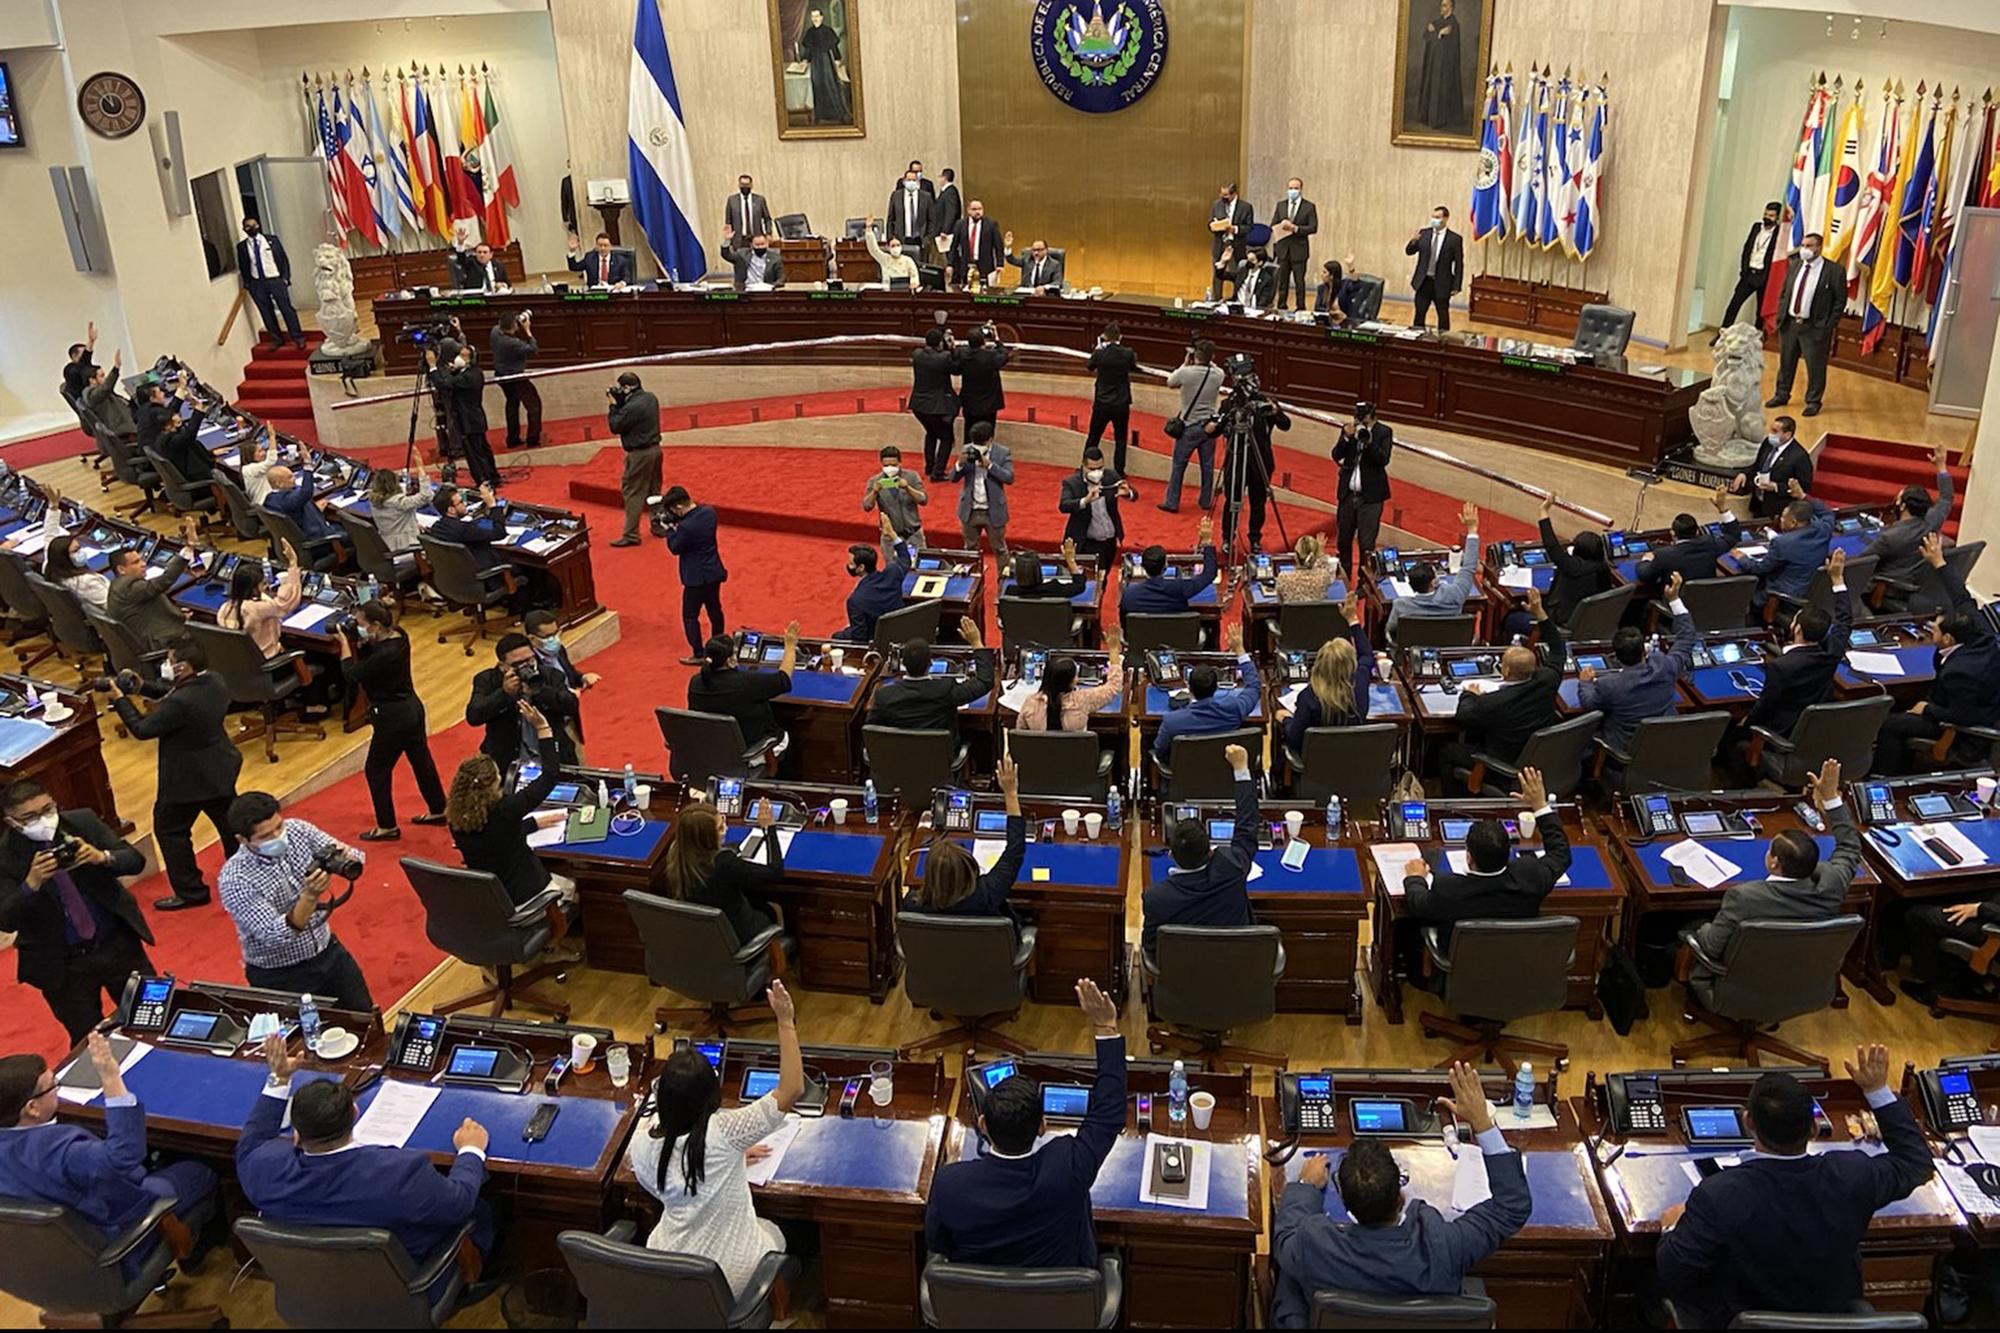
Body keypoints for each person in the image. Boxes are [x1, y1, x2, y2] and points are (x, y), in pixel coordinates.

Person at [1657, 1043, 1931, 1327]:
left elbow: (1674, 1273)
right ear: (1813, 1129)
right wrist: (1877, 1091)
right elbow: (1915, 1163)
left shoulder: (1718, 1194)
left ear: (1748, 1121)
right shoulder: (1852, 1175)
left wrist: (1672, 1227)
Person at [1272, 1061, 1526, 1325]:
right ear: (1400, 1197)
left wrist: (1305, 1186)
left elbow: (1286, 1235)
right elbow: (1511, 1206)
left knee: (1290, 1280)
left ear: (1344, 1201)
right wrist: (1483, 1125)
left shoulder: (1315, 1246)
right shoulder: (1446, 1245)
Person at [239, 1035, 490, 1293]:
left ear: (297, 1134)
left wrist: (279, 1078)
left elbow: (252, 1140)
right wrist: (471, 1149)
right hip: (400, 1290)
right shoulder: (400, 1174)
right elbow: (459, 1202)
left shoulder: (262, 1169)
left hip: (314, 1289)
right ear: (354, 1113)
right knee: (481, 1207)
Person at [926, 979, 1125, 1268]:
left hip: (980, 1308)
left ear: (983, 1125)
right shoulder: (1067, 1167)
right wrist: (1106, 1026)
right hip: (1060, 1307)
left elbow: (938, 1245)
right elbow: (1109, 1113)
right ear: (1042, 1126)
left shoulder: (949, 1184)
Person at [629, 981, 802, 1292]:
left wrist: (731, 1159)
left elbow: (675, 1178)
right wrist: (785, 1021)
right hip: (731, 1274)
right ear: (712, 1097)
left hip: (669, 1266)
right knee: (782, 1231)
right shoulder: (726, 1133)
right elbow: (791, 1090)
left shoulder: (640, 1144)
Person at [0, 1032, 219, 1272]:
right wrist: (110, 1077)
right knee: (201, 1168)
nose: (56, 1090)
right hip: (113, 1239)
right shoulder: (61, 1151)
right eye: (53, 1085)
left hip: (46, 1259)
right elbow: (124, 1157)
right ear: (32, 1108)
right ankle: (193, 1249)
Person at [0, 783, 153, 1044]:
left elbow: (134, 860)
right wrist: (31, 885)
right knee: (88, 1041)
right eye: (30, 817)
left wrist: (102, 857)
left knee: (151, 1019)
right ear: (12, 821)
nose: (43, 820)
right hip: (64, 965)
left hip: (117, 944)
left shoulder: (82, 822)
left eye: (48, 809)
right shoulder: (4, 857)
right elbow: (5, 919)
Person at [1688, 759, 1857, 988]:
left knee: (1693, 925)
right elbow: (1849, 847)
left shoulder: (1745, 897)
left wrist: (1700, 929)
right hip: (1800, 979)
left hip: (1745, 982)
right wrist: (1831, 799)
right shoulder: (1832, 882)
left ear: (1774, 863)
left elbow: (1711, 946)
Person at [106, 638, 240, 912]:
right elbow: (173, 697)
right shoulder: (214, 681)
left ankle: (191, 892)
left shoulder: (180, 702)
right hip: (219, 768)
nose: (165, 665)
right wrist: (143, 688)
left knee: (170, 830)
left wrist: (120, 700)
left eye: (170, 661)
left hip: (187, 780)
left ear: (183, 668)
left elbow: (142, 729)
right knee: (231, 828)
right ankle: (245, 877)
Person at [218, 793, 374, 1011]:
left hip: (329, 953)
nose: (278, 836)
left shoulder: (298, 830)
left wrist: (340, 857)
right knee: (302, 1042)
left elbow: (355, 857)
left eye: (279, 827)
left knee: (365, 1020)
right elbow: (277, 935)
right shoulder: (236, 879)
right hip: (280, 976)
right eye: (265, 836)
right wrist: (310, 896)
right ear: (242, 840)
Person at [1870, 534, 2000, 777]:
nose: (1931, 630)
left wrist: (1926, 709)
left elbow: (1963, 715)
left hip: (1963, 728)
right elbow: (1962, 598)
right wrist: (1938, 562)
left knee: (1890, 724)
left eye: (1936, 629)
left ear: (1949, 639)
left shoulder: (1962, 672)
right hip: (1964, 702)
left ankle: (1886, 777)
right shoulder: (1982, 634)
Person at [1400, 769, 1566, 959]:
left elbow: (1418, 904)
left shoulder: (1448, 889)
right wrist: (1540, 806)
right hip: (1516, 963)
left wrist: (1414, 878)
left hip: (1463, 968)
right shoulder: (1531, 877)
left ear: (1469, 857)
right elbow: (1561, 853)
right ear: (1509, 854)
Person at [334, 601, 449, 843]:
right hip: (412, 708)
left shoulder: (386, 654)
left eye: (362, 624)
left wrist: (345, 644)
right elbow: (371, 655)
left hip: (391, 715)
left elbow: (352, 675)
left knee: (376, 770)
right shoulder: (399, 636)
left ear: (375, 625)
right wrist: (363, 642)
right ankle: (439, 808)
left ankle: (387, 826)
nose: (359, 628)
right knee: (421, 760)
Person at [1434, 588, 1563, 796]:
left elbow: (1464, 715)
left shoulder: (1494, 702)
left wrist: (1469, 693)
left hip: (1501, 765)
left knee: (1448, 751)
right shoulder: (1548, 679)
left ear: (1506, 671)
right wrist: (1540, 613)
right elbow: (1558, 648)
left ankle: (1454, 801)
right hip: (1534, 756)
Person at [446, 713, 578, 911]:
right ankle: (563, 934)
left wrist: (532, 824)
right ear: (492, 787)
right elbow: (550, 775)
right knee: (575, 887)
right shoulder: (506, 811)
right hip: (529, 898)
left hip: (495, 902)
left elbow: (494, 840)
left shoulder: (455, 818)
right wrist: (543, 729)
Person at [1142, 744, 1259, 957]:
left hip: (1181, 981)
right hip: (1236, 971)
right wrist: (1241, 769)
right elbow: (1247, 826)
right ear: (1211, 852)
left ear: (1171, 855)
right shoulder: (1233, 868)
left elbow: (1151, 948)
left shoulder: (1155, 898)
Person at [902, 758, 1026, 934]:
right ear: (970, 870)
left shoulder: (912, 904)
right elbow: (1015, 850)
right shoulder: (987, 894)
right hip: (989, 958)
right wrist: (1011, 793)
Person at [1579, 573, 1699, 754]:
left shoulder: (1610, 684)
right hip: (1664, 744)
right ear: (1645, 651)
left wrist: (1585, 682)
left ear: (1616, 657)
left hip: (1626, 749)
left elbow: (1589, 702)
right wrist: (1674, 599)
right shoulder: (1666, 666)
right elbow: (1687, 635)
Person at [866, 618, 994, 743]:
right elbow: (984, 681)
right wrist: (976, 643)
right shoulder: (946, 690)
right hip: (942, 758)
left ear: (903, 664)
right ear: (930, 663)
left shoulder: (884, 696)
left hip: (898, 758)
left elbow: (872, 731)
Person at [1863, 440, 1954, 608]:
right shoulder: (1933, 520)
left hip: (1888, 588)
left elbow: (1860, 562)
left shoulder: (1890, 537)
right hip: (1918, 584)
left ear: (1903, 505)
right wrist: (1941, 468)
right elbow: (1947, 498)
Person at [1152, 624, 1261, 762]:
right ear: (1216, 688)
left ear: (1189, 688)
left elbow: (1159, 752)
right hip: (1223, 775)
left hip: (1183, 778)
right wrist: (1240, 650)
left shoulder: (1172, 722)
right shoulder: (1234, 709)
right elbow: (1254, 687)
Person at [690, 622, 799, 760]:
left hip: (712, 751)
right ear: (730, 661)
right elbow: (783, 679)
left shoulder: (695, 682)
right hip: (750, 752)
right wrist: (790, 645)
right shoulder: (746, 683)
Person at [1768, 232, 1845, 417]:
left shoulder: (1834, 271)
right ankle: (1782, 394)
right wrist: (1781, 316)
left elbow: (1839, 302)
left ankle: (1813, 401)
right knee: (1786, 362)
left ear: (1819, 247)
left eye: (1809, 246)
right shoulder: (1794, 265)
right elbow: (1785, 292)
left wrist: (1828, 326)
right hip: (1790, 324)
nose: (1805, 250)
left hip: (1814, 327)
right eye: (1803, 245)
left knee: (1815, 366)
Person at [1384, 503, 1481, 644]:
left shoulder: (1401, 605)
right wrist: (1472, 530)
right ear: (1434, 582)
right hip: (1450, 649)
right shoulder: (1454, 595)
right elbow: (1469, 567)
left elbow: (1391, 629)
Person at [1279, 609, 1373, 753]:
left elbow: (1294, 739)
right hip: (1354, 763)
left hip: (1316, 767)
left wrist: (1286, 720)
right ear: (1351, 664)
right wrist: (1352, 619)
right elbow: (1366, 655)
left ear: (1320, 662)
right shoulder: (1360, 682)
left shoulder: (1309, 696)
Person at [1733, 482, 1832, 609]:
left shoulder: (1783, 543)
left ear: (1793, 523)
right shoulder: (1824, 529)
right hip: (1809, 592)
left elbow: (1759, 568)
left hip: (1783, 599)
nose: (1780, 520)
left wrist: (1742, 557)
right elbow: (1827, 512)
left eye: (1784, 518)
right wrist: (1802, 496)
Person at [659, 486, 727, 665]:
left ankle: (698, 654)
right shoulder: (709, 513)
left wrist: (669, 529)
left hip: (695, 578)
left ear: (679, 507)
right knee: (715, 610)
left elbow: (675, 547)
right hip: (713, 572)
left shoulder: (686, 527)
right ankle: (719, 646)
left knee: (690, 616)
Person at [1633, 486, 1743, 589]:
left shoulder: (1664, 555)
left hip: (1675, 603)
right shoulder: (1710, 544)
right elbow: (1733, 535)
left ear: (1673, 533)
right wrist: (1722, 508)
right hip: (1708, 604)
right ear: (1696, 531)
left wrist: (1646, 559)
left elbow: (1645, 576)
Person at [426, 340, 500, 490]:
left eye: (464, 356)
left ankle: (483, 480)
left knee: (475, 453)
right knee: (482, 449)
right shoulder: (472, 372)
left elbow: (444, 384)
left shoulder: (468, 377)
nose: (460, 358)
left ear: (471, 360)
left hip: (468, 420)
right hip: (474, 418)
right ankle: (492, 476)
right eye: (460, 354)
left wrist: (432, 367)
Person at [1535, 495, 1616, 629]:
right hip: (1590, 621)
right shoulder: (1603, 567)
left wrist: (1544, 510)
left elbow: (1551, 544)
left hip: (1561, 619)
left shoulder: (1570, 566)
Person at [1160, 340, 1223, 513]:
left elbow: (1171, 381)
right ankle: (1205, 501)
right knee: (1208, 466)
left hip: (1189, 427)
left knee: (1179, 465)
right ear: (1212, 357)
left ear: (1195, 356)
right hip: (1209, 426)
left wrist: (1186, 361)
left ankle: (1172, 502)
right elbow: (1213, 365)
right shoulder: (1218, 374)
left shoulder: (1186, 373)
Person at [1017, 634, 1125, 733]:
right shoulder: (1082, 700)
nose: (1077, 679)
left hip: (1039, 754)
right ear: (1070, 682)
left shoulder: (1030, 703)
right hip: (1076, 754)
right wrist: (1114, 652)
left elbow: (1020, 736)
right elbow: (1113, 686)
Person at [1333, 401, 1394, 576]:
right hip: (1347, 495)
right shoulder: (1349, 429)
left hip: (1371, 498)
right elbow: (1336, 455)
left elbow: (1383, 460)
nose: (1360, 421)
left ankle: (1363, 581)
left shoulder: (1384, 432)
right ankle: (1344, 576)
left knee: (1366, 544)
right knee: (1343, 540)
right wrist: (1346, 437)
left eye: (1364, 418)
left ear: (1373, 416)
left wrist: (1368, 442)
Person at [217, 538, 301, 659]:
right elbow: (287, 602)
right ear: (252, 588)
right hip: (268, 662)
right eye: (262, 584)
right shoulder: (258, 609)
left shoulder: (225, 608)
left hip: (244, 663)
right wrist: (293, 562)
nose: (265, 587)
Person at [606, 372, 663, 547]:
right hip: (655, 450)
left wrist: (613, 406)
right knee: (654, 490)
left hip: (639, 454)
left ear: (627, 387)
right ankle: (659, 525)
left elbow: (615, 426)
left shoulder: (631, 408)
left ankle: (631, 534)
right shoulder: (651, 398)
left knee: (632, 492)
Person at [1061, 446, 1138, 575]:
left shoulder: (1111, 476)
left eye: (1100, 468)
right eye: (1092, 469)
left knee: (1104, 578)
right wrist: (1085, 500)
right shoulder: (1072, 483)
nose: (1096, 472)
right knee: (1090, 580)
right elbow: (1063, 505)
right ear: (1083, 466)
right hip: (1087, 543)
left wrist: (1127, 493)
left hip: (1109, 542)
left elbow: (1134, 494)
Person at [837, 515, 913, 643]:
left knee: (837, 637)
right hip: (900, 631)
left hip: (876, 640)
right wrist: (892, 534)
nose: (848, 565)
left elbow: (859, 637)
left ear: (861, 567)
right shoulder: (893, 573)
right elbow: (905, 558)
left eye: (851, 563)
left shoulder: (855, 600)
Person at [1120, 518, 1218, 618]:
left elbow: (1125, 623)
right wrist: (1207, 542)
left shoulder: (1129, 593)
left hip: (1142, 633)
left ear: (1142, 567)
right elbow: (1209, 574)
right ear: (1165, 566)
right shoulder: (1179, 588)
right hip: (1178, 632)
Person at [237, 217, 305, 349]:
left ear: (259, 225)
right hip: (257, 283)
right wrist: (249, 284)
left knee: (286, 309)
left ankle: (298, 337)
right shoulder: (242, 247)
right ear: (244, 229)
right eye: (248, 226)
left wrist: (285, 278)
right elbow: (243, 266)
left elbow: (283, 259)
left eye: (254, 225)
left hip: (275, 280)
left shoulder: (272, 240)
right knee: (266, 312)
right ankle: (277, 339)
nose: (252, 228)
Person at [1731, 416, 1814, 521]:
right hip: (1757, 504)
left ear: (1788, 435)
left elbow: (1804, 487)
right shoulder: (1768, 443)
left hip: (1777, 511)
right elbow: (1758, 465)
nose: (1770, 434)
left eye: (1775, 431)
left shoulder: (1800, 457)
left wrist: (1776, 487)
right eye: (1771, 429)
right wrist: (1744, 474)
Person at [952, 421, 1013, 561]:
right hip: (970, 511)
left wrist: (990, 466)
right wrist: (959, 464)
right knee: (970, 549)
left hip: (993, 511)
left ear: (990, 439)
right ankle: (972, 581)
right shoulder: (967, 449)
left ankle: (1003, 581)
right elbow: (953, 478)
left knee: (1000, 549)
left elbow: (1009, 478)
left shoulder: (1002, 453)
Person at [908, 328, 963, 481]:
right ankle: (938, 472)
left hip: (919, 405)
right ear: (940, 342)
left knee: (931, 434)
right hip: (938, 406)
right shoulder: (944, 357)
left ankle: (929, 466)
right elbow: (956, 369)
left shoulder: (917, 355)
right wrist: (953, 349)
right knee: (946, 438)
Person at [1084, 323, 1138, 477]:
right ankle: (1119, 471)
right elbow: (1133, 366)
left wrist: (1098, 348)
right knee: (1120, 439)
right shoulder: (1128, 353)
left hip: (1102, 403)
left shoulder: (1100, 353)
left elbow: (1089, 366)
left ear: (1105, 337)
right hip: (1121, 404)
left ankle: (1085, 467)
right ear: (1120, 337)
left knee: (1093, 436)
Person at [1720, 201, 1783, 332]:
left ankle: (1758, 336)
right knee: (1734, 304)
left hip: (1764, 276)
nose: (1767, 217)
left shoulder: (1780, 232)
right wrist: (1744, 271)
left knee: (1760, 310)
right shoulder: (1756, 227)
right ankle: (1723, 333)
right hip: (1749, 274)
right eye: (1765, 214)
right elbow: (1747, 249)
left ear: (1777, 217)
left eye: (1771, 215)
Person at [1405, 205, 1464, 331]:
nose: (1434, 220)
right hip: (1423, 282)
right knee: (1419, 314)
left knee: (1443, 315)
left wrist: (1456, 286)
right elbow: (1409, 252)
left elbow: (1459, 264)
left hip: (1442, 283)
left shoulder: (1454, 239)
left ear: (1446, 219)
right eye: (1433, 217)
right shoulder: (1423, 234)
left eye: (1437, 217)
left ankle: (1443, 341)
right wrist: (1413, 241)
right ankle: (1417, 339)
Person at [489, 310, 541, 449]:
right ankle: (533, 438)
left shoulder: (495, 331)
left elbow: (506, 325)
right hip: (515, 376)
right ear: (513, 327)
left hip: (501, 374)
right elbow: (533, 350)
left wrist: (516, 319)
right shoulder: (513, 343)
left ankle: (512, 438)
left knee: (512, 403)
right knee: (534, 405)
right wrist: (528, 330)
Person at [366, 464, 434, 568]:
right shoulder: (399, 502)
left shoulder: (373, 500)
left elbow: (396, 519)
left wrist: (414, 524)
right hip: (406, 549)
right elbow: (427, 495)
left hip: (387, 545)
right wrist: (420, 467)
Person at [862, 445, 929, 548]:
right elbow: (867, 506)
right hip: (890, 537)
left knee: (918, 563)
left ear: (900, 463)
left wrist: (907, 487)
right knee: (892, 564)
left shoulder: (912, 476)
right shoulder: (875, 481)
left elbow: (923, 500)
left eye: (893, 465)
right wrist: (874, 492)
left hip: (914, 535)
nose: (890, 468)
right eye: (886, 465)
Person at [1414, 0, 1467, 130]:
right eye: (1441, 5)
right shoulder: (1437, 22)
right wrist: (1438, 34)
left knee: (1440, 90)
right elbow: (1427, 36)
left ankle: (1439, 120)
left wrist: (1437, 34)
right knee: (1430, 87)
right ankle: (1427, 116)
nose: (1441, 8)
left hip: (1445, 67)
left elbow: (1450, 46)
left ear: (1451, 7)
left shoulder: (1454, 24)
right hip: (1432, 64)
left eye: (1444, 5)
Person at [796, 3, 850, 122]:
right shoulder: (810, 32)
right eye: (812, 17)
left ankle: (837, 114)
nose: (815, 19)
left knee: (830, 85)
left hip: (827, 61)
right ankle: (820, 115)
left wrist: (837, 60)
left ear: (821, 17)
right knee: (818, 86)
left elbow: (834, 47)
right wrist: (805, 60)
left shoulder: (828, 31)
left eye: (817, 16)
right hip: (815, 63)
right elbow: (808, 50)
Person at [1269, 178, 1318, 309]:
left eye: (1295, 188)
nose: (1292, 191)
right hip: (1283, 249)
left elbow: (1313, 227)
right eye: (1290, 188)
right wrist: (1282, 226)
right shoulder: (1281, 205)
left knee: (1299, 282)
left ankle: (1300, 307)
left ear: (1301, 189)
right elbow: (1273, 224)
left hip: (1299, 250)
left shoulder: (1309, 207)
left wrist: (1295, 228)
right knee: (1282, 282)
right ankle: (1281, 306)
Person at [957, 328, 1010, 444]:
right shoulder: (991, 357)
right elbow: (1004, 355)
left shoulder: (963, 356)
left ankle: (968, 458)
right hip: (989, 405)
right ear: (983, 342)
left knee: (969, 434)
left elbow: (955, 365)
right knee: (987, 436)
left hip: (970, 404)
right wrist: (997, 339)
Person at [1207, 184, 1254, 299]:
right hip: (1219, 245)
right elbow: (1209, 223)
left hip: (1236, 245)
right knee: (1217, 275)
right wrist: (1214, 226)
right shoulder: (1216, 205)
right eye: (1221, 194)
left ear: (1234, 194)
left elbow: (1249, 227)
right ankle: (1216, 299)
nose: (1223, 197)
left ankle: (1236, 299)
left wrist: (1235, 229)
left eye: (1226, 195)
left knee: (1237, 274)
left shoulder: (1246, 207)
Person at [947, 198, 1004, 289]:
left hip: (985, 266)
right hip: (967, 265)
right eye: (974, 209)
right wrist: (950, 264)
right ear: (968, 210)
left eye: (980, 209)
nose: (978, 212)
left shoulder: (991, 225)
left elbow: (998, 246)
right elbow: (953, 246)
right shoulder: (960, 225)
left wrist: (1000, 264)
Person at [80, 354, 136, 437]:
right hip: (122, 427)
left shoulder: (98, 393)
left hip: (127, 418)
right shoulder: (92, 396)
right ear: (92, 380)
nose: (105, 379)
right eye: (102, 376)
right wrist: (116, 368)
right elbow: (105, 388)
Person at [884, 169, 936, 255]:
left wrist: (928, 238)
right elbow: (891, 219)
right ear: (904, 181)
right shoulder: (896, 196)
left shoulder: (926, 197)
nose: (911, 182)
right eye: (909, 180)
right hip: (901, 240)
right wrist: (891, 238)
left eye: (914, 180)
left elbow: (932, 220)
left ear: (918, 182)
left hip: (920, 240)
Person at [717, 226, 786, 290]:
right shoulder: (743, 254)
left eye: (762, 244)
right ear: (751, 245)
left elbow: (781, 278)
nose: (760, 247)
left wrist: (772, 286)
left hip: (766, 291)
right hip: (746, 290)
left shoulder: (775, 258)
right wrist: (727, 240)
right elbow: (727, 255)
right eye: (757, 245)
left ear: (767, 244)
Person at [1276, 534, 1338, 604]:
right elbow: (1328, 573)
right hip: (1317, 615)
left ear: (1296, 556)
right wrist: (1320, 552)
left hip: (1292, 615)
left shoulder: (1283, 578)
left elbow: (1280, 603)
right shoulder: (1323, 577)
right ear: (1315, 557)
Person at [862, 216, 920, 286]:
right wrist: (869, 229)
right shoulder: (885, 259)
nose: (896, 248)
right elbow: (873, 249)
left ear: (901, 246)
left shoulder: (908, 260)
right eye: (893, 246)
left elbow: (915, 276)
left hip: (905, 291)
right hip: (888, 291)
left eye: (898, 245)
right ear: (888, 247)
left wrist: (913, 284)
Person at [566, 231, 633, 287]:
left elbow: (627, 277)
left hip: (613, 294)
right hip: (595, 295)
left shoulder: (620, 260)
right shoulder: (590, 258)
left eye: (605, 245)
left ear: (611, 246)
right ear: (596, 246)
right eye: (600, 245)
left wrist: (622, 283)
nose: (603, 248)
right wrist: (572, 251)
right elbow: (574, 267)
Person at [723, 173, 773, 242]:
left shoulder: (759, 200)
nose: (745, 187)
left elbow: (767, 219)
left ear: (751, 185)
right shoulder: (732, 201)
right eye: (742, 184)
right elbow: (728, 222)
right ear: (739, 185)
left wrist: (768, 233)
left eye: (747, 185)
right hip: (738, 240)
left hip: (757, 239)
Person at [1314, 256, 1363, 323]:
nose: (1321, 274)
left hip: (1345, 322)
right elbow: (1317, 309)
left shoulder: (1344, 285)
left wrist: (1351, 267)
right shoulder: (1321, 289)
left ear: (1332, 276)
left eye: (1324, 272)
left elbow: (1356, 285)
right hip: (1326, 322)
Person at [241, 425, 280, 504]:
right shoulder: (251, 469)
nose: (264, 453)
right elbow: (271, 460)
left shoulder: (247, 467)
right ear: (251, 455)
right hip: (264, 503)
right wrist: (272, 436)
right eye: (260, 451)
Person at [62, 323, 97, 401]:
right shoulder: (70, 370)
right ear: (74, 356)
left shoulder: (85, 367)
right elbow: (80, 367)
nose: (86, 356)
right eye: (83, 353)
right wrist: (90, 342)